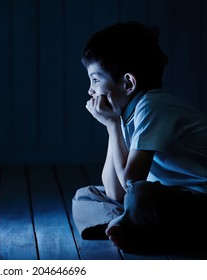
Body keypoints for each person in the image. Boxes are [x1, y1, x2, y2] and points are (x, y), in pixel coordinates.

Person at [72, 21, 207, 253]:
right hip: (172, 196)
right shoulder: (127, 114)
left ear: (128, 83)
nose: (90, 90)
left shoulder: (152, 106)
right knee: (86, 196)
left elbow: (130, 184)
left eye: (95, 80)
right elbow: (114, 191)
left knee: (140, 197)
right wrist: (111, 126)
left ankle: (142, 233)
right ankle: (133, 227)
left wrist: (113, 124)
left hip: (198, 199)